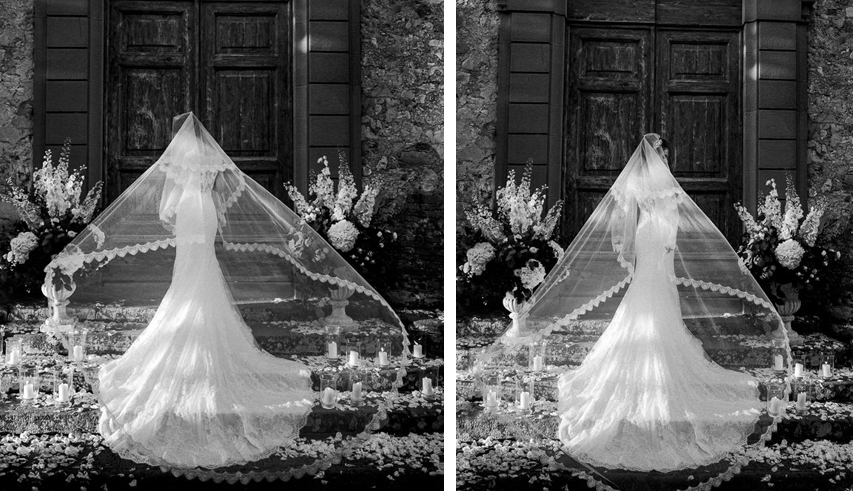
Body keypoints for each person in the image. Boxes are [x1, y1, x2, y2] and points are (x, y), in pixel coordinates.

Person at [45, 113, 407, 470]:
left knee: (187, 273)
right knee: (203, 267)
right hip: (205, 212)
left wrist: (171, 212)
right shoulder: (210, 156)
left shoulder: (176, 156)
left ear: (177, 134)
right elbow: (221, 190)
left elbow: (166, 207)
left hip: (188, 211)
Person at [489, 132, 790, 474]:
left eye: (663, 153)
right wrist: (652, 244)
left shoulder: (649, 183)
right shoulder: (653, 184)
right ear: (654, 155)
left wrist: (659, 243)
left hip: (658, 238)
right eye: (661, 153)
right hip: (654, 238)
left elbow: (643, 218)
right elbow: (630, 218)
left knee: (657, 293)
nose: (663, 158)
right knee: (648, 292)